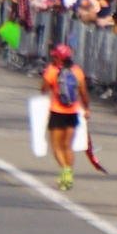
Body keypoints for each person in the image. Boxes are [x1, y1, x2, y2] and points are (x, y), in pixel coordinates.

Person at [42, 44, 88, 192]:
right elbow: (83, 93)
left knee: (56, 146)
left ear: (57, 57)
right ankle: (68, 173)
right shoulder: (77, 71)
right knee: (67, 145)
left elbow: (43, 90)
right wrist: (86, 108)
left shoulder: (52, 70)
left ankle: (65, 171)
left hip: (57, 111)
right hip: (72, 112)